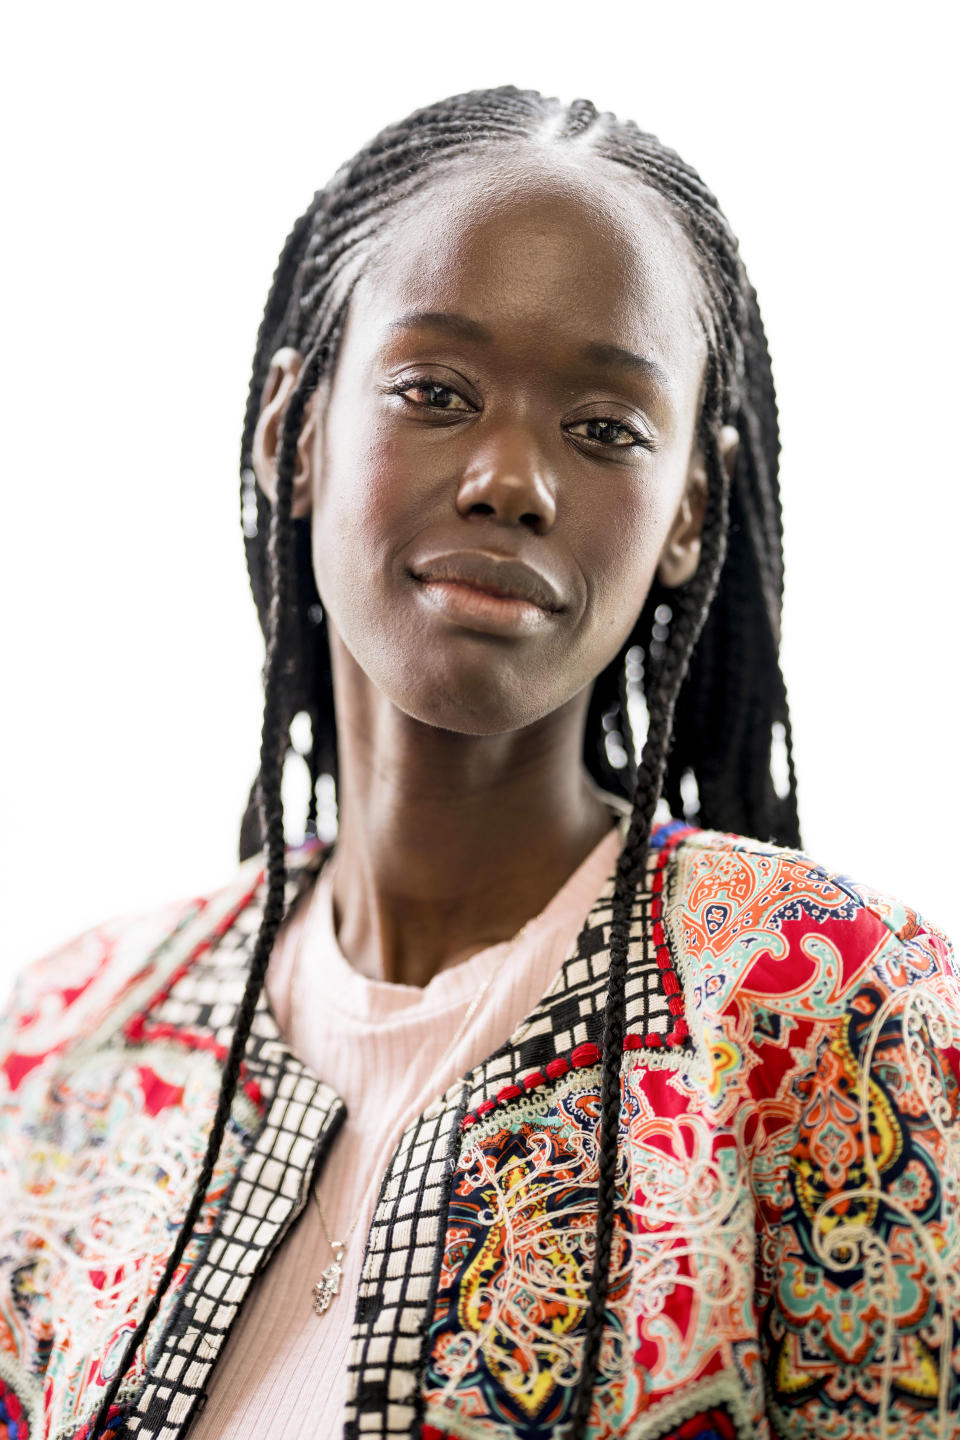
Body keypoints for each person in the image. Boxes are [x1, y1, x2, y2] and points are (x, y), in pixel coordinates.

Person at [1, 83, 957, 1440]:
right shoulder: (61, 1055)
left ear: (687, 513)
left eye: (605, 427)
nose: (512, 477)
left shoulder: (838, 1014)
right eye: (435, 391)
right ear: (293, 431)